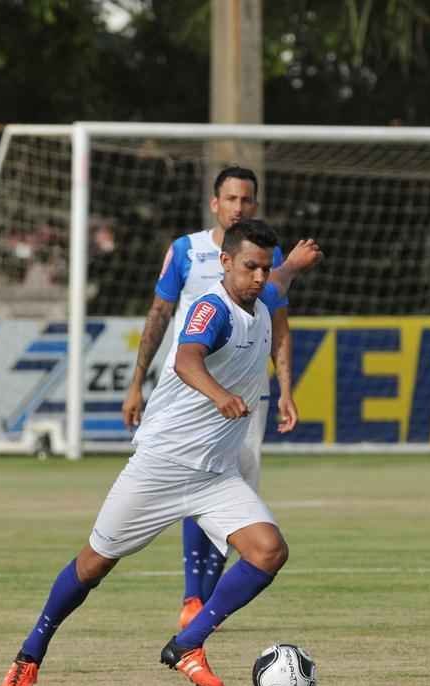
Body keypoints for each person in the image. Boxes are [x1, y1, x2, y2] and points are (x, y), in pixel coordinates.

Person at [3, 219, 303, 686]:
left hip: (215, 474)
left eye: (266, 269)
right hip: (161, 466)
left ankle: (187, 644)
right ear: (224, 263)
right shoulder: (213, 307)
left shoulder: (263, 298)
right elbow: (186, 360)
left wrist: (293, 267)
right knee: (93, 565)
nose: (261, 277)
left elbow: (279, 282)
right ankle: (29, 656)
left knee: (269, 551)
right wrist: (220, 395)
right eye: (250, 267)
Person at [121, 165, 321, 631]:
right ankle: (195, 597)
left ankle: (200, 602)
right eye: (231, 199)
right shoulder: (186, 251)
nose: (239, 207)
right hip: (191, 395)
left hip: (244, 399)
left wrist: (286, 388)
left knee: (231, 497)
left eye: (247, 200)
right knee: (199, 483)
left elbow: (279, 324)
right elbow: (159, 313)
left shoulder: (260, 259)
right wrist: (136, 382)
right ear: (215, 204)